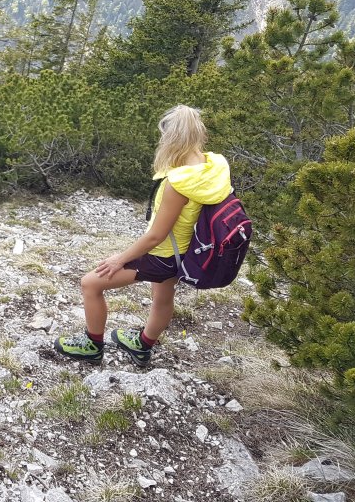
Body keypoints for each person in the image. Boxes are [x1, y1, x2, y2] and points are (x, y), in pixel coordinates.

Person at [53, 105, 232, 366]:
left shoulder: (178, 184)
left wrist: (120, 259)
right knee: (162, 298)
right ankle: (142, 346)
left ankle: (92, 346)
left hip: (162, 255)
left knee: (90, 284)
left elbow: (156, 236)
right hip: (183, 252)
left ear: (172, 137)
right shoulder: (212, 167)